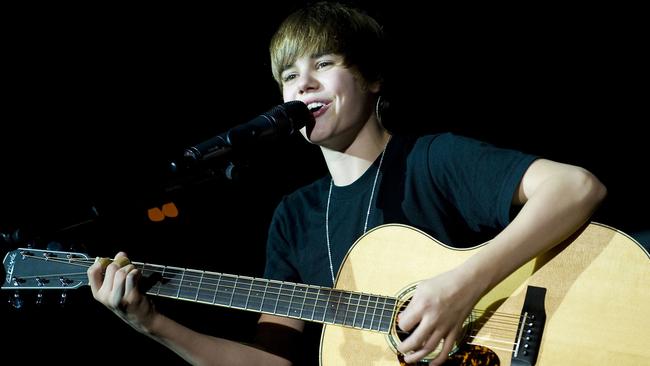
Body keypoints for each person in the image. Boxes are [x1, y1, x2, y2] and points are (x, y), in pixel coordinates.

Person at [87, 2, 606, 365]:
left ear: (373, 79)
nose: (303, 83)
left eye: (324, 64)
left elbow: (576, 186)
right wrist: (153, 325)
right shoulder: (294, 217)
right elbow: (272, 362)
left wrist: (460, 288)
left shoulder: (431, 159)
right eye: (289, 75)